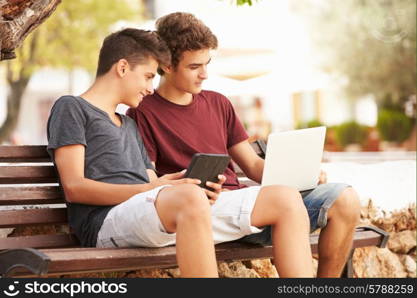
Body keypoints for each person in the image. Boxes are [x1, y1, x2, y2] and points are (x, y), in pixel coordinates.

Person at [127, 12, 361, 278]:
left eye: (207, 63)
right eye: (194, 67)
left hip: (249, 208)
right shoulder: (143, 112)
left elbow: (252, 165)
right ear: (167, 66)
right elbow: (152, 185)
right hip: (206, 215)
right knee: (285, 202)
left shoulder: (218, 103)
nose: (205, 74)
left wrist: (303, 175)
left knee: (346, 199)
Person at [46, 28, 229, 278]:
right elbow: (74, 187)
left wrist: (173, 184)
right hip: (103, 222)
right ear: (122, 68)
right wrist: (151, 191)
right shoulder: (71, 108)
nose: (151, 88)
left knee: (195, 194)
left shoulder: (129, 124)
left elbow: (150, 183)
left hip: (140, 211)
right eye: (148, 76)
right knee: (189, 198)